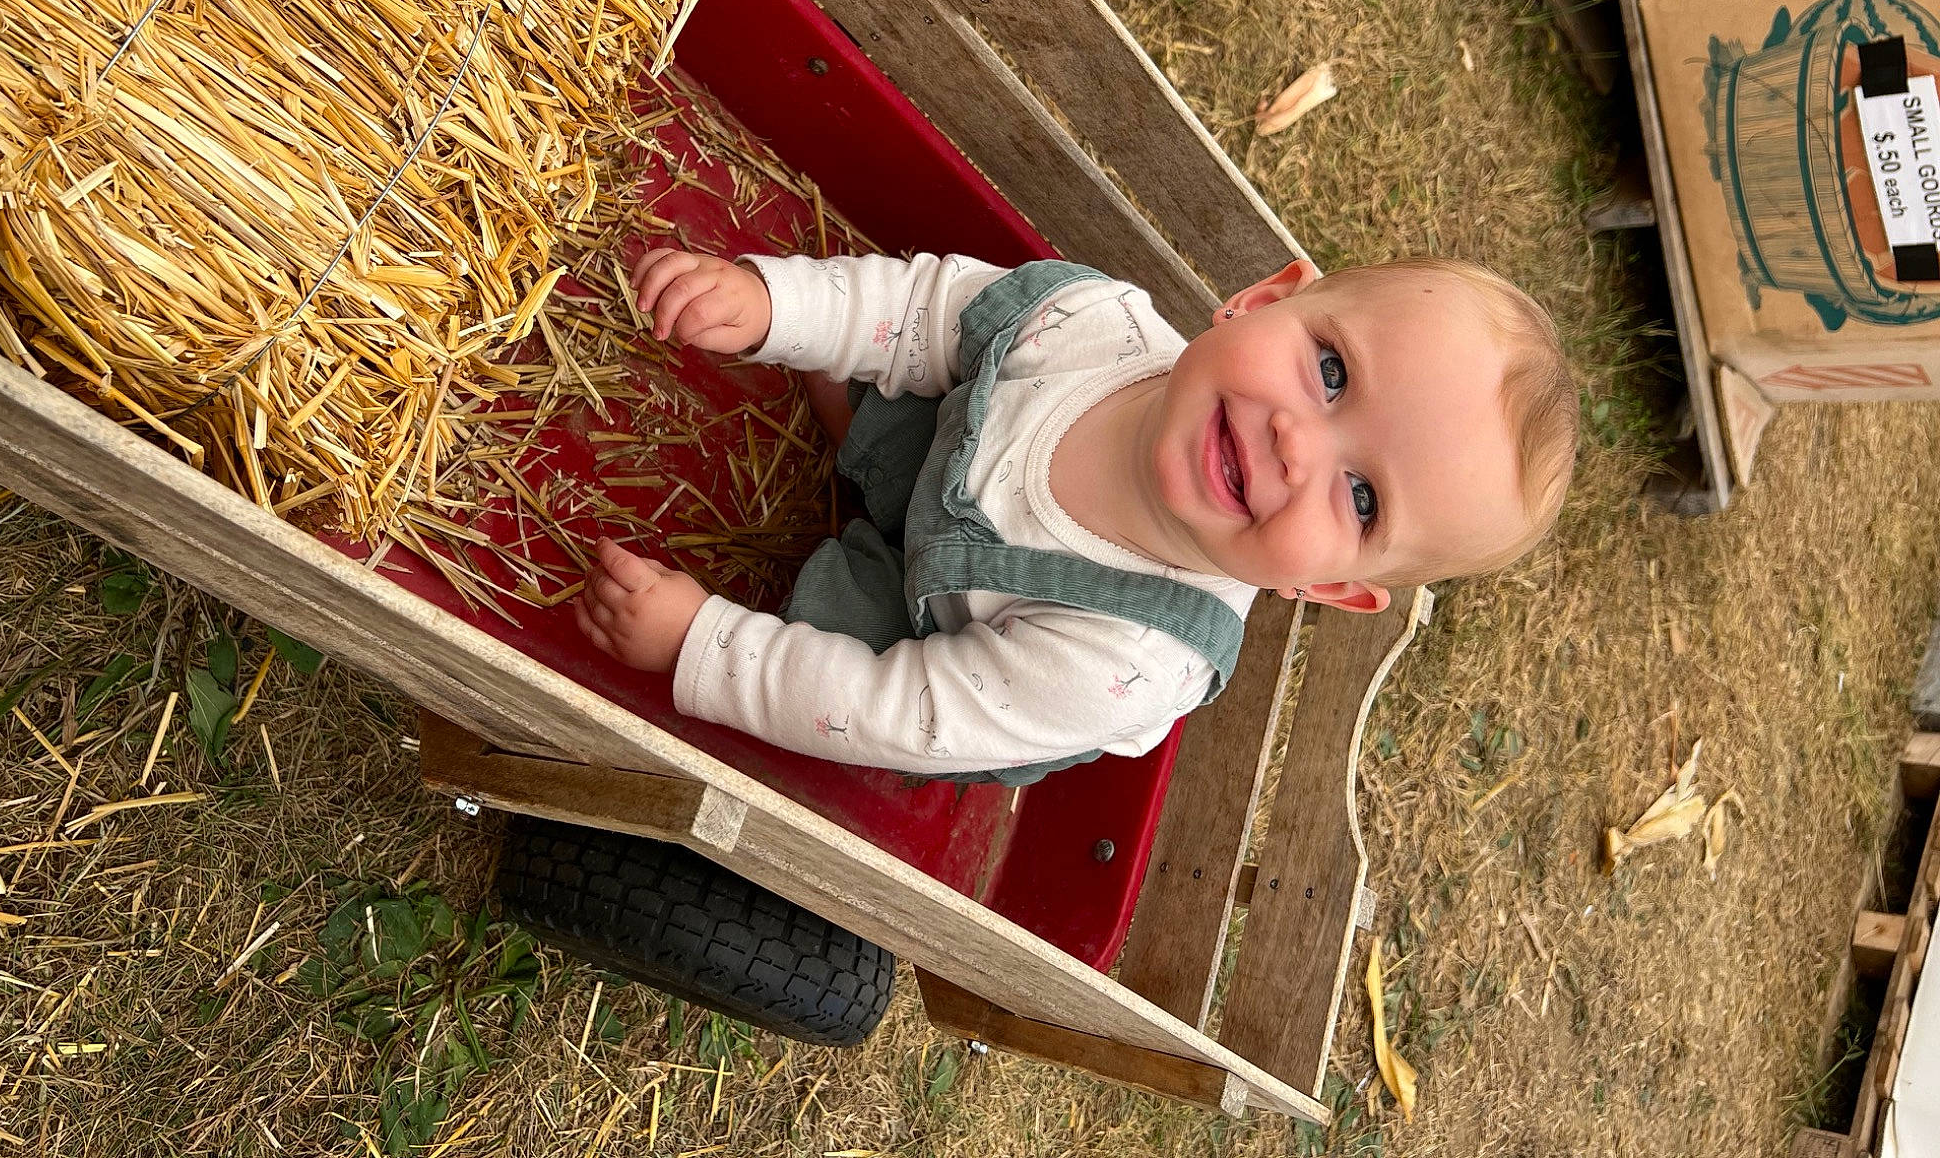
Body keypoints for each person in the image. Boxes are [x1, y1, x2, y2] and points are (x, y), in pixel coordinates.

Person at [572, 246, 1576, 784]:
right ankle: (866, 442)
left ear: (1319, 587)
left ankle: (810, 586)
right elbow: (930, 312)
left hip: (948, 651)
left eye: (1359, 496)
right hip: (952, 476)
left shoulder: (1120, 658)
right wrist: (773, 308)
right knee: (905, 361)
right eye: (1329, 371)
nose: (1295, 446)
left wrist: (700, 645)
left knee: (830, 662)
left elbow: (906, 712)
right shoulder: (1088, 325)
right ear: (1259, 298)